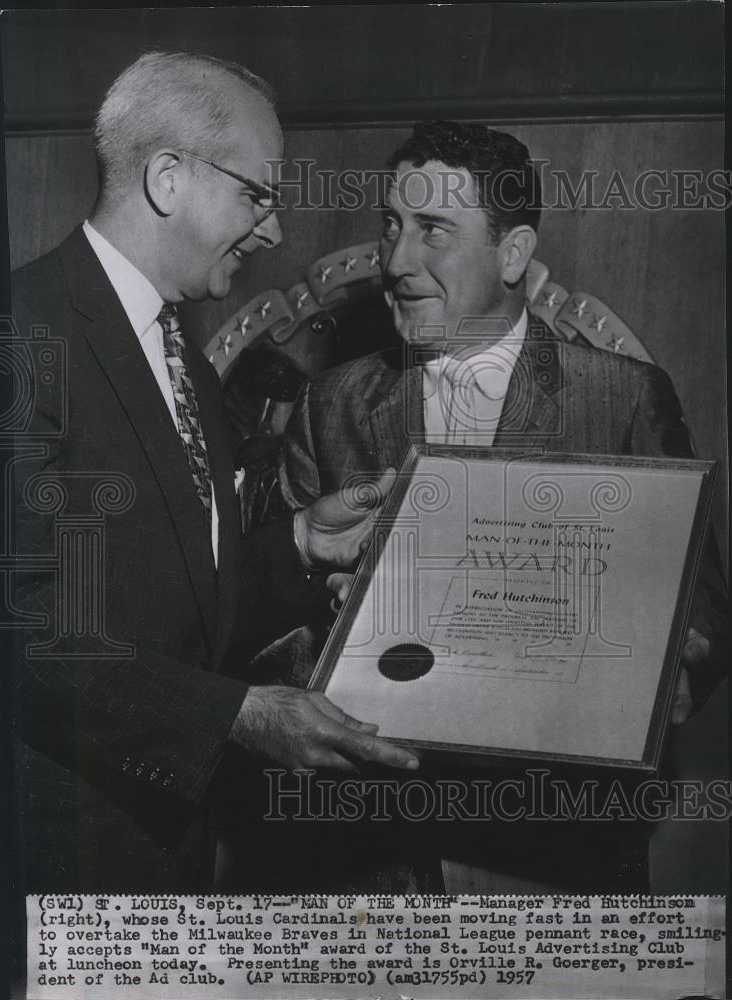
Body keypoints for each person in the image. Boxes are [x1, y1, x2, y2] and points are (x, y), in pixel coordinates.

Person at [278, 120, 727, 890]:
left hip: (555, 856)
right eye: (391, 226)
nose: (396, 261)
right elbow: (257, 620)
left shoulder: (621, 399)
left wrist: (671, 661)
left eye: (433, 231)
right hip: (370, 865)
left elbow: (704, 612)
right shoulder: (331, 403)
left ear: (513, 253)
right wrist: (327, 639)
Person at [10, 51, 418, 895]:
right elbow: (21, 631)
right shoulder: (16, 336)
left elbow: (183, 614)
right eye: (258, 194)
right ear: (168, 179)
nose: (272, 230)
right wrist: (239, 715)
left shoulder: (186, 366)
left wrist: (300, 546)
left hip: (167, 862)